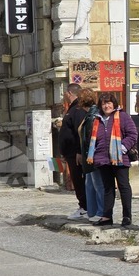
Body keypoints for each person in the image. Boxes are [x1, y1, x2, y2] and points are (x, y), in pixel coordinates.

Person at [86, 92, 137, 227]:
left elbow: (132, 134)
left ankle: (127, 216)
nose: (107, 106)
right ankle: (107, 216)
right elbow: (94, 139)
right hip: (103, 159)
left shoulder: (122, 116)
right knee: (107, 188)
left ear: (114, 104)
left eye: (109, 103)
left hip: (119, 158)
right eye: (104, 103)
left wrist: (122, 148)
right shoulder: (97, 120)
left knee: (124, 186)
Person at [59, 83, 87, 219]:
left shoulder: (77, 109)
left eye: (65, 93)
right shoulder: (72, 108)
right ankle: (83, 206)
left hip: (75, 153)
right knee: (76, 180)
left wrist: (78, 151)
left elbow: (79, 132)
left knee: (78, 180)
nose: (64, 95)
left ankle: (85, 207)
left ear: (69, 93)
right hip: (70, 153)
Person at [77, 89, 105, 224]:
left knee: (97, 184)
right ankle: (92, 212)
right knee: (90, 184)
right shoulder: (90, 114)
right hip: (88, 154)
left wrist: (90, 156)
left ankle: (100, 212)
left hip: (92, 155)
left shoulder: (93, 115)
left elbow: (90, 138)